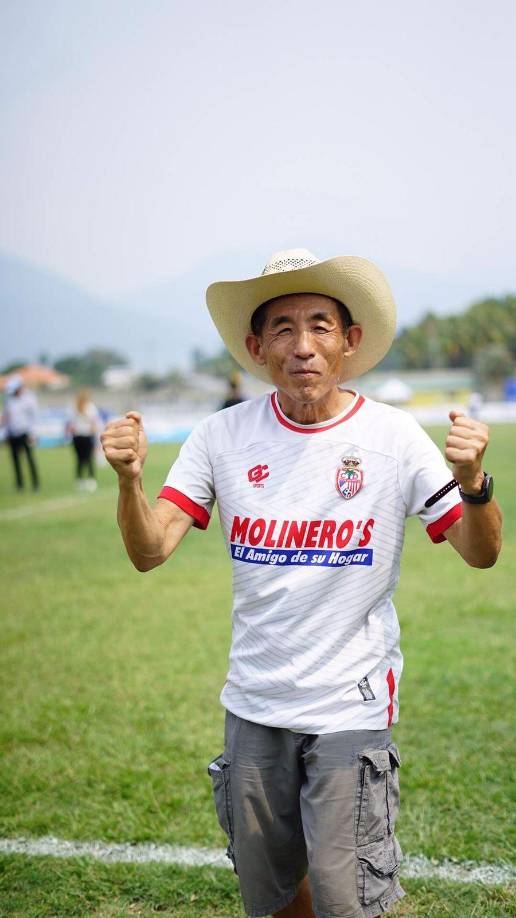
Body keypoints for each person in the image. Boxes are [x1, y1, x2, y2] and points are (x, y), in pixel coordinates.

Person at [101, 249, 502, 918]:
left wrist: (474, 485)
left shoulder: (395, 437)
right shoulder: (220, 436)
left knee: (346, 901)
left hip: (352, 704)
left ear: (351, 341)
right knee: (274, 895)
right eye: (283, 329)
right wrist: (129, 481)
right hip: (254, 706)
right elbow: (150, 549)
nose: (303, 345)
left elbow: (480, 551)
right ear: (257, 349)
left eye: (320, 325)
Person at [2, 375, 40, 491]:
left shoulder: (29, 399)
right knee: (15, 461)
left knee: (30, 459)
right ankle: (20, 484)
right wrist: (5, 433)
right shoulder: (9, 400)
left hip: (26, 433)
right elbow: (7, 417)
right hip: (12, 434)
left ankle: (35, 483)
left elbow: (34, 417)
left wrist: (33, 434)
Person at [67, 388, 100, 491]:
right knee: (88, 458)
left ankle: (80, 480)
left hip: (77, 436)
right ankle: (91, 480)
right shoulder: (90, 407)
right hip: (86, 436)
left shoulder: (73, 407)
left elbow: (70, 424)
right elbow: (94, 423)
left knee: (80, 459)